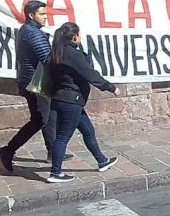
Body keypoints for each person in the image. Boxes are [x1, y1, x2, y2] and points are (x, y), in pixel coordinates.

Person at [47, 22, 120, 183]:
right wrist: (110, 87)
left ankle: (102, 161)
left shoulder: (56, 52)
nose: (80, 38)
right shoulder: (72, 54)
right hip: (71, 100)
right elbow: (90, 74)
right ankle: (55, 173)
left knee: (88, 131)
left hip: (62, 99)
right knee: (63, 137)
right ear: (74, 36)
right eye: (79, 35)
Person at [0, 0, 57, 173]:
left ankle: (53, 153)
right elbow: (47, 59)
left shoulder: (27, 30)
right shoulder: (34, 33)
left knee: (49, 116)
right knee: (41, 119)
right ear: (31, 15)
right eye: (42, 14)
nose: (45, 17)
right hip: (35, 84)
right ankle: (8, 150)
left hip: (31, 82)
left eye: (45, 14)